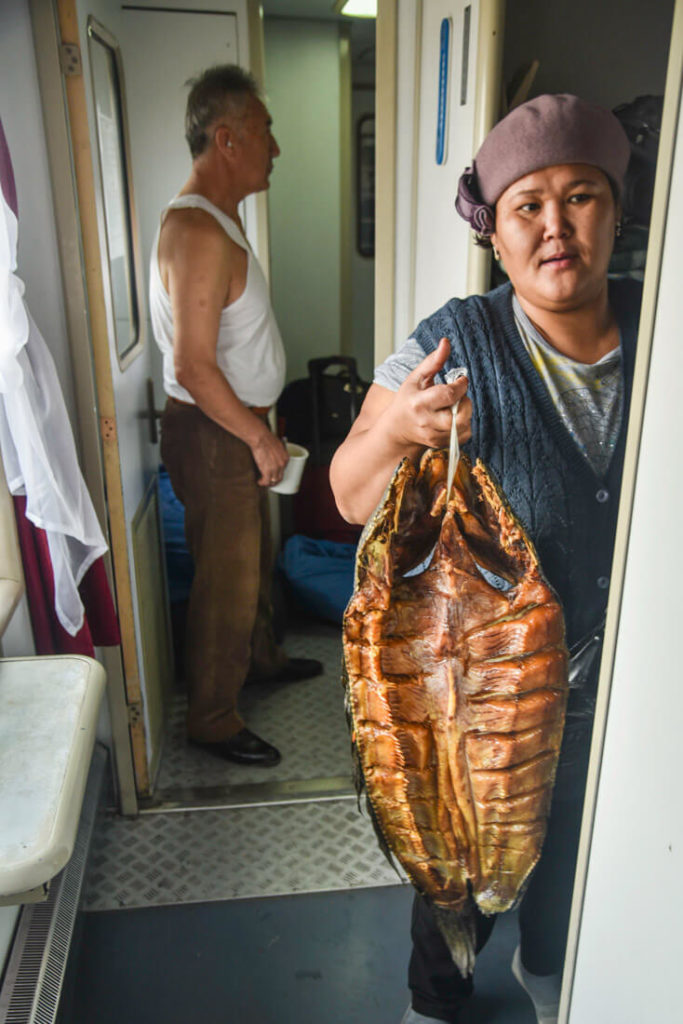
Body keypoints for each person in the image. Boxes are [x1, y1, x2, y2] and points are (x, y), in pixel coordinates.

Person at [330, 94, 640, 1023]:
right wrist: (397, 429)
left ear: (616, 213)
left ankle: (557, 993)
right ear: (495, 235)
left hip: (623, 701)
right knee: (457, 893)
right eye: (527, 206)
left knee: (577, 891)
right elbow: (349, 494)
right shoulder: (451, 341)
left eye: (580, 197)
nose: (555, 226)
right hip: (476, 707)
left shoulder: (659, 328)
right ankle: (440, 1003)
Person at [150, 65, 322, 769]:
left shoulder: (216, 222)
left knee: (247, 561)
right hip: (219, 433)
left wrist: (263, 423)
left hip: (237, 425)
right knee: (224, 582)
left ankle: (258, 659)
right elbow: (192, 366)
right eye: (263, 132)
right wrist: (255, 435)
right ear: (226, 139)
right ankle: (214, 719)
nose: (274, 148)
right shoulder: (197, 233)